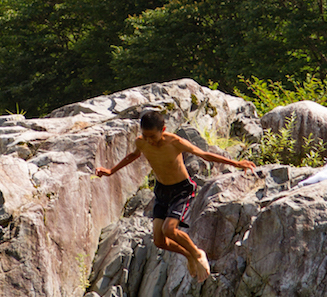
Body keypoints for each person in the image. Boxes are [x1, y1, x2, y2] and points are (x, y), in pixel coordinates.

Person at [95, 109, 256, 282]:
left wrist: (236, 163)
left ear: (163, 130)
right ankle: (189, 255)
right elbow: (133, 155)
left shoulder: (175, 142)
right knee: (159, 241)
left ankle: (198, 254)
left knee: (169, 229)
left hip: (181, 190)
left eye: (153, 136)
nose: (149, 140)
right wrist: (110, 171)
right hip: (161, 190)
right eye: (145, 135)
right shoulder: (142, 142)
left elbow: (205, 155)